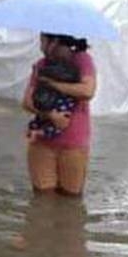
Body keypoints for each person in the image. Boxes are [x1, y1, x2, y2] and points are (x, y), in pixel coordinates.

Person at [21, 33, 97, 196]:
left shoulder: (82, 60)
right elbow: (27, 102)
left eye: (42, 41)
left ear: (54, 42)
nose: (40, 47)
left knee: (71, 198)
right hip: (42, 142)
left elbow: (87, 91)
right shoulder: (41, 65)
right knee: (42, 198)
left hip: (73, 143)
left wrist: (53, 84)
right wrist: (51, 115)